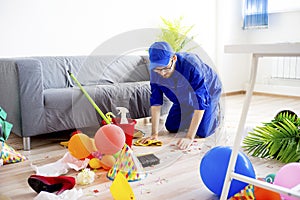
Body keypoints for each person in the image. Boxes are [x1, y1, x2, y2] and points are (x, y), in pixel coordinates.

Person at [140, 41, 222, 150]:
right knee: (171, 127)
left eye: (165, 68)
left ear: (173, 58)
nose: (162, 73)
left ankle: (215, 113)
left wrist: (189, 137)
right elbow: (156, 102)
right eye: (157, 69)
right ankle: (190, 110)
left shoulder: (192, 65)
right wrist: (154, 134)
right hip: (183, 96)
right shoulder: (156, 72)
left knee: (203, 132)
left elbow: (200, 102)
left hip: (209, 91)